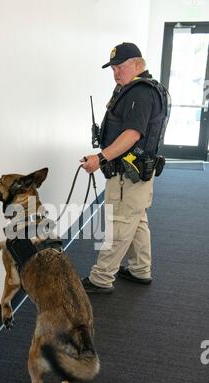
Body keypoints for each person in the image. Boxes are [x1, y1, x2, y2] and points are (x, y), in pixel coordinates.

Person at [81, 42, 169, 294]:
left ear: (137, 64)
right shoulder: (147, 89)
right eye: (113, 68)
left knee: (120, 222)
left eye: (119, 67)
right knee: (136, 218)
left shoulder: (139, 92)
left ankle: (101, 278)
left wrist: (100, 157)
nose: (115, 72)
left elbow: (132, 134)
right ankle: (141, 269)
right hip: (140, 173)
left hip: (127, 176)